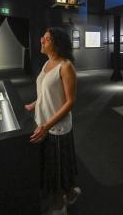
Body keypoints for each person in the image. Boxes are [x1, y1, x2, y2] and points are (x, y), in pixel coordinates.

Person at [25, 27, 81, 215]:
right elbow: (45, 93)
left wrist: (47, 126)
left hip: (56, 128)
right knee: (56, 166)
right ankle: (71, 192)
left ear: (56, 44)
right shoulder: (47, 63)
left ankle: (59, 205)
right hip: (43, 123)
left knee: (56, 169)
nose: (41, 40)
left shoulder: (65, 66)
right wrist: (33, 105)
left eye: (46, 39)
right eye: (43, 37)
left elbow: (70, 102)